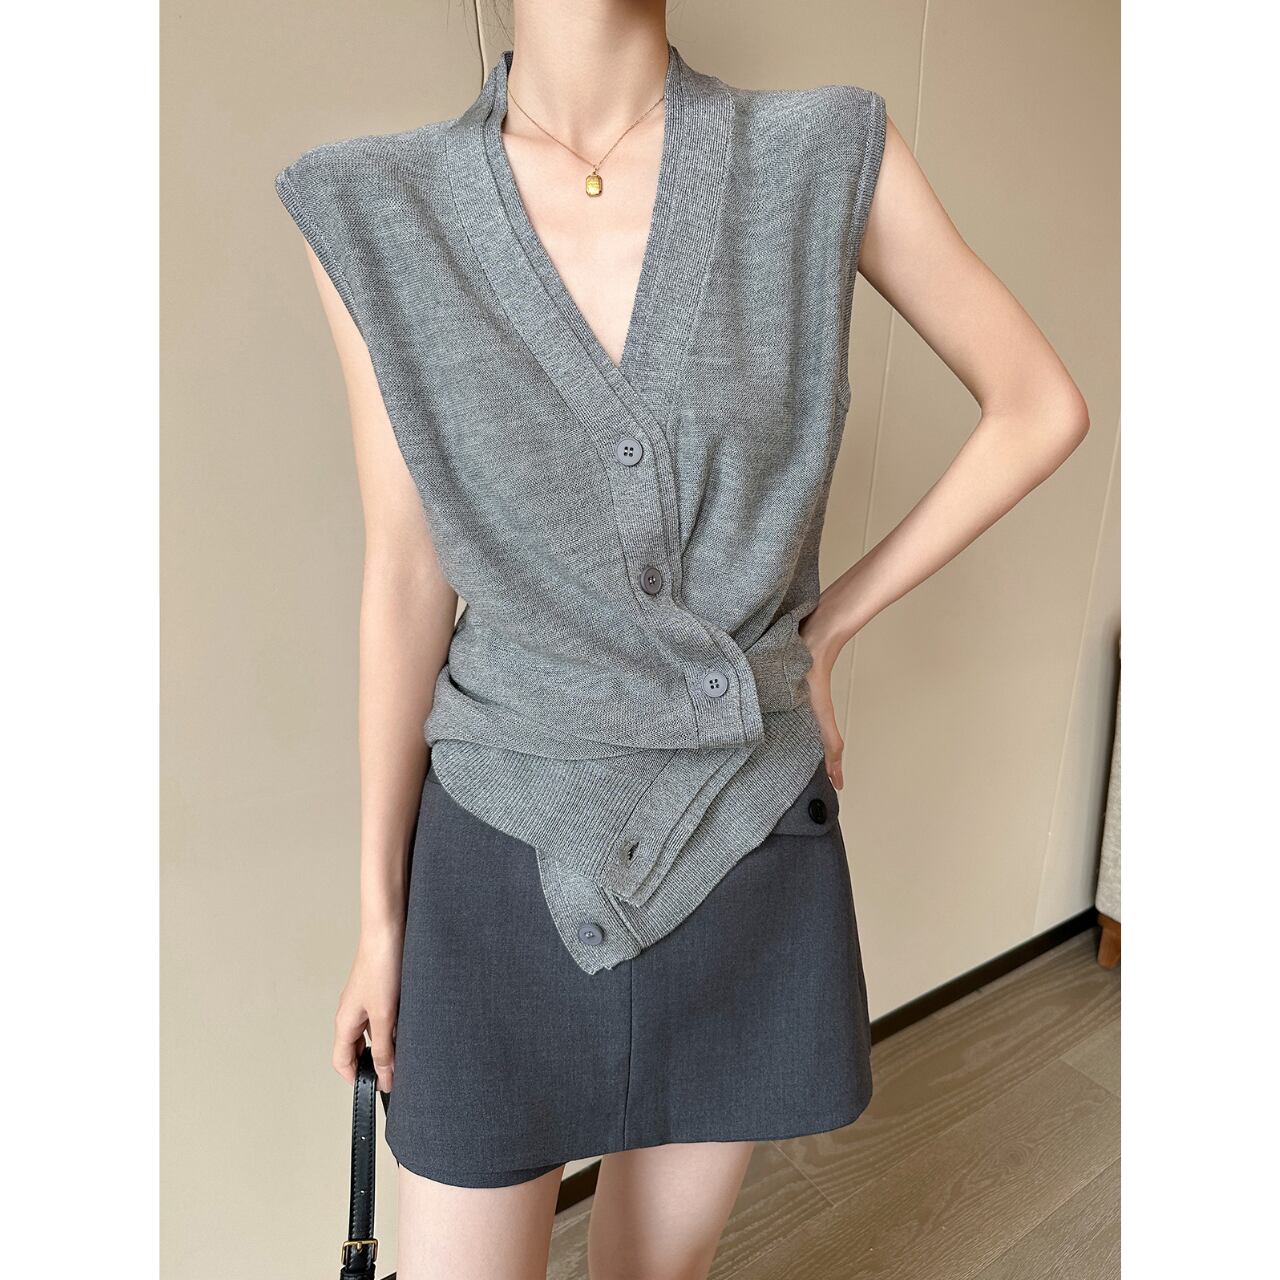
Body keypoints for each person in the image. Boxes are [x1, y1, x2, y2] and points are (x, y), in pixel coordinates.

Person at [275, 4, 1088, 1277]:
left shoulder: (824, 152)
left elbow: (1037, 405)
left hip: (743, 830)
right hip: (498, 842)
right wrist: (380, 916)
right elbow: (406, 571)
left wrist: (825, 629)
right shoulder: (380, 208)